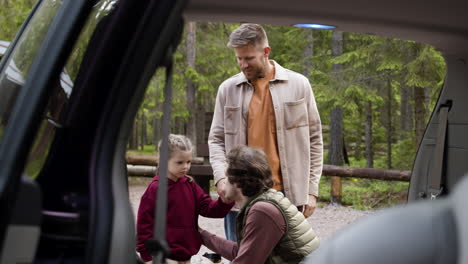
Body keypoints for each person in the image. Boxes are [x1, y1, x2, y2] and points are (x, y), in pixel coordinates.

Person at [208, 23, 323, 242]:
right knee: (241, 257)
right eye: (239, 58)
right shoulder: (227, 89)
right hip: (240, 195)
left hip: (287, 196)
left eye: (249, 58)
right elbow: (216, 139)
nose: (243, 64)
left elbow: (315, 140)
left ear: (266, 52)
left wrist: (311, 191)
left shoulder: (299, 85)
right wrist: (221, 178)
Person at [200, 146, 320, 264]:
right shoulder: (264, 201)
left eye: (225, 176)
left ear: (236, 181)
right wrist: (200, 234)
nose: (223, 181)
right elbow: (243, 252)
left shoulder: (263, 211)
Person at [136, 134, 234, 264]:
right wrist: (148, 257)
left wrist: (225, 202)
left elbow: (209, 209)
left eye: (188, 162)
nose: (186, 167)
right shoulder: (155, 190)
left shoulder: (190, 185)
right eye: (180, 162)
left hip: (186, 257)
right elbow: (144, 226)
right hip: (163, 258)